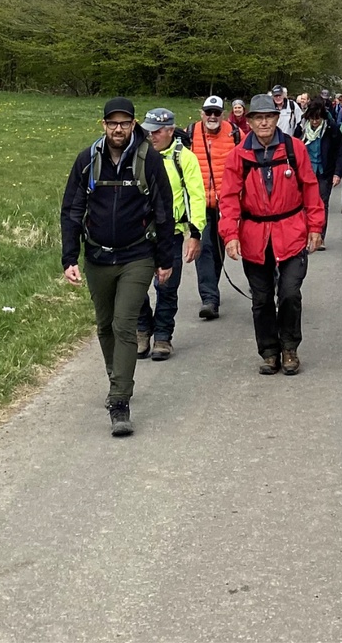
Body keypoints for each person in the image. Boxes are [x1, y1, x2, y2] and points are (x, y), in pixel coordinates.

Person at [60, 97, 179, 437]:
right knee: (105, 325)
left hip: (136, 256)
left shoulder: (148, 160)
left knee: (125, 325)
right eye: (112, 123)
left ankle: (119, 401)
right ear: (103, 125)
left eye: (124, 123)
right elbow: (71, 209)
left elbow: (163, 210)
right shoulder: (88, 160)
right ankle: (118, 378)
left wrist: (164, 258)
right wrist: (70, 257)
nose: (118, 128)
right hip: (97, 257)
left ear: (133, 124)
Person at [219, 93, 325, 375]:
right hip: (254, 234)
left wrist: (316, 227)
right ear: (250, 121)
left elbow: (310, 188)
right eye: (258, 118)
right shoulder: (239, 155)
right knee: (262, 298)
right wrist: (230, 234)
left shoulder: (295, 149)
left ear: (277, 119)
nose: (264, 122)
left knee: (290, 293)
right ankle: (269, 351)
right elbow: (228, 198)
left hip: (291, 230)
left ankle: (289, 347)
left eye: (269, 117)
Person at [135, 108, 206, 360]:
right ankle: (143, 330)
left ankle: (163, 336)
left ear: (169, 131)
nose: (151, 136)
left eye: (156, 131)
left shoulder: (184, 158)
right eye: (148, 131)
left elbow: (197, 197)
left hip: (171, 233)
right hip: (139, 233)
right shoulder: (138, 155)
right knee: (136, 285)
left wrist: (195, 234)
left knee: (167, 286)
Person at [189, 94, 240, 320]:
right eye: (208, 112)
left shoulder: (235, 134)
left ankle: (212, 291)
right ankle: (209, 299)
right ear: (201, 113)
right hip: (199, 203)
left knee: (219, 250)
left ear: (222, 114)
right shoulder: (190, 133)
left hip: (226, 203)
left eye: (216, 113)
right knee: (204, 248)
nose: (212, 116)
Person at [298, 99, 342, 247]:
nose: (314, 122)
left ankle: (320, 237)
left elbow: (340, 152)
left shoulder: (332, 129)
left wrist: (338, 173)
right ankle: (305, 235)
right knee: (303, 204)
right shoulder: (300, 129)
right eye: (311, 118)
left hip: (325, 172)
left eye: (317, 119)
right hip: (305, 172)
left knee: (321, 204)